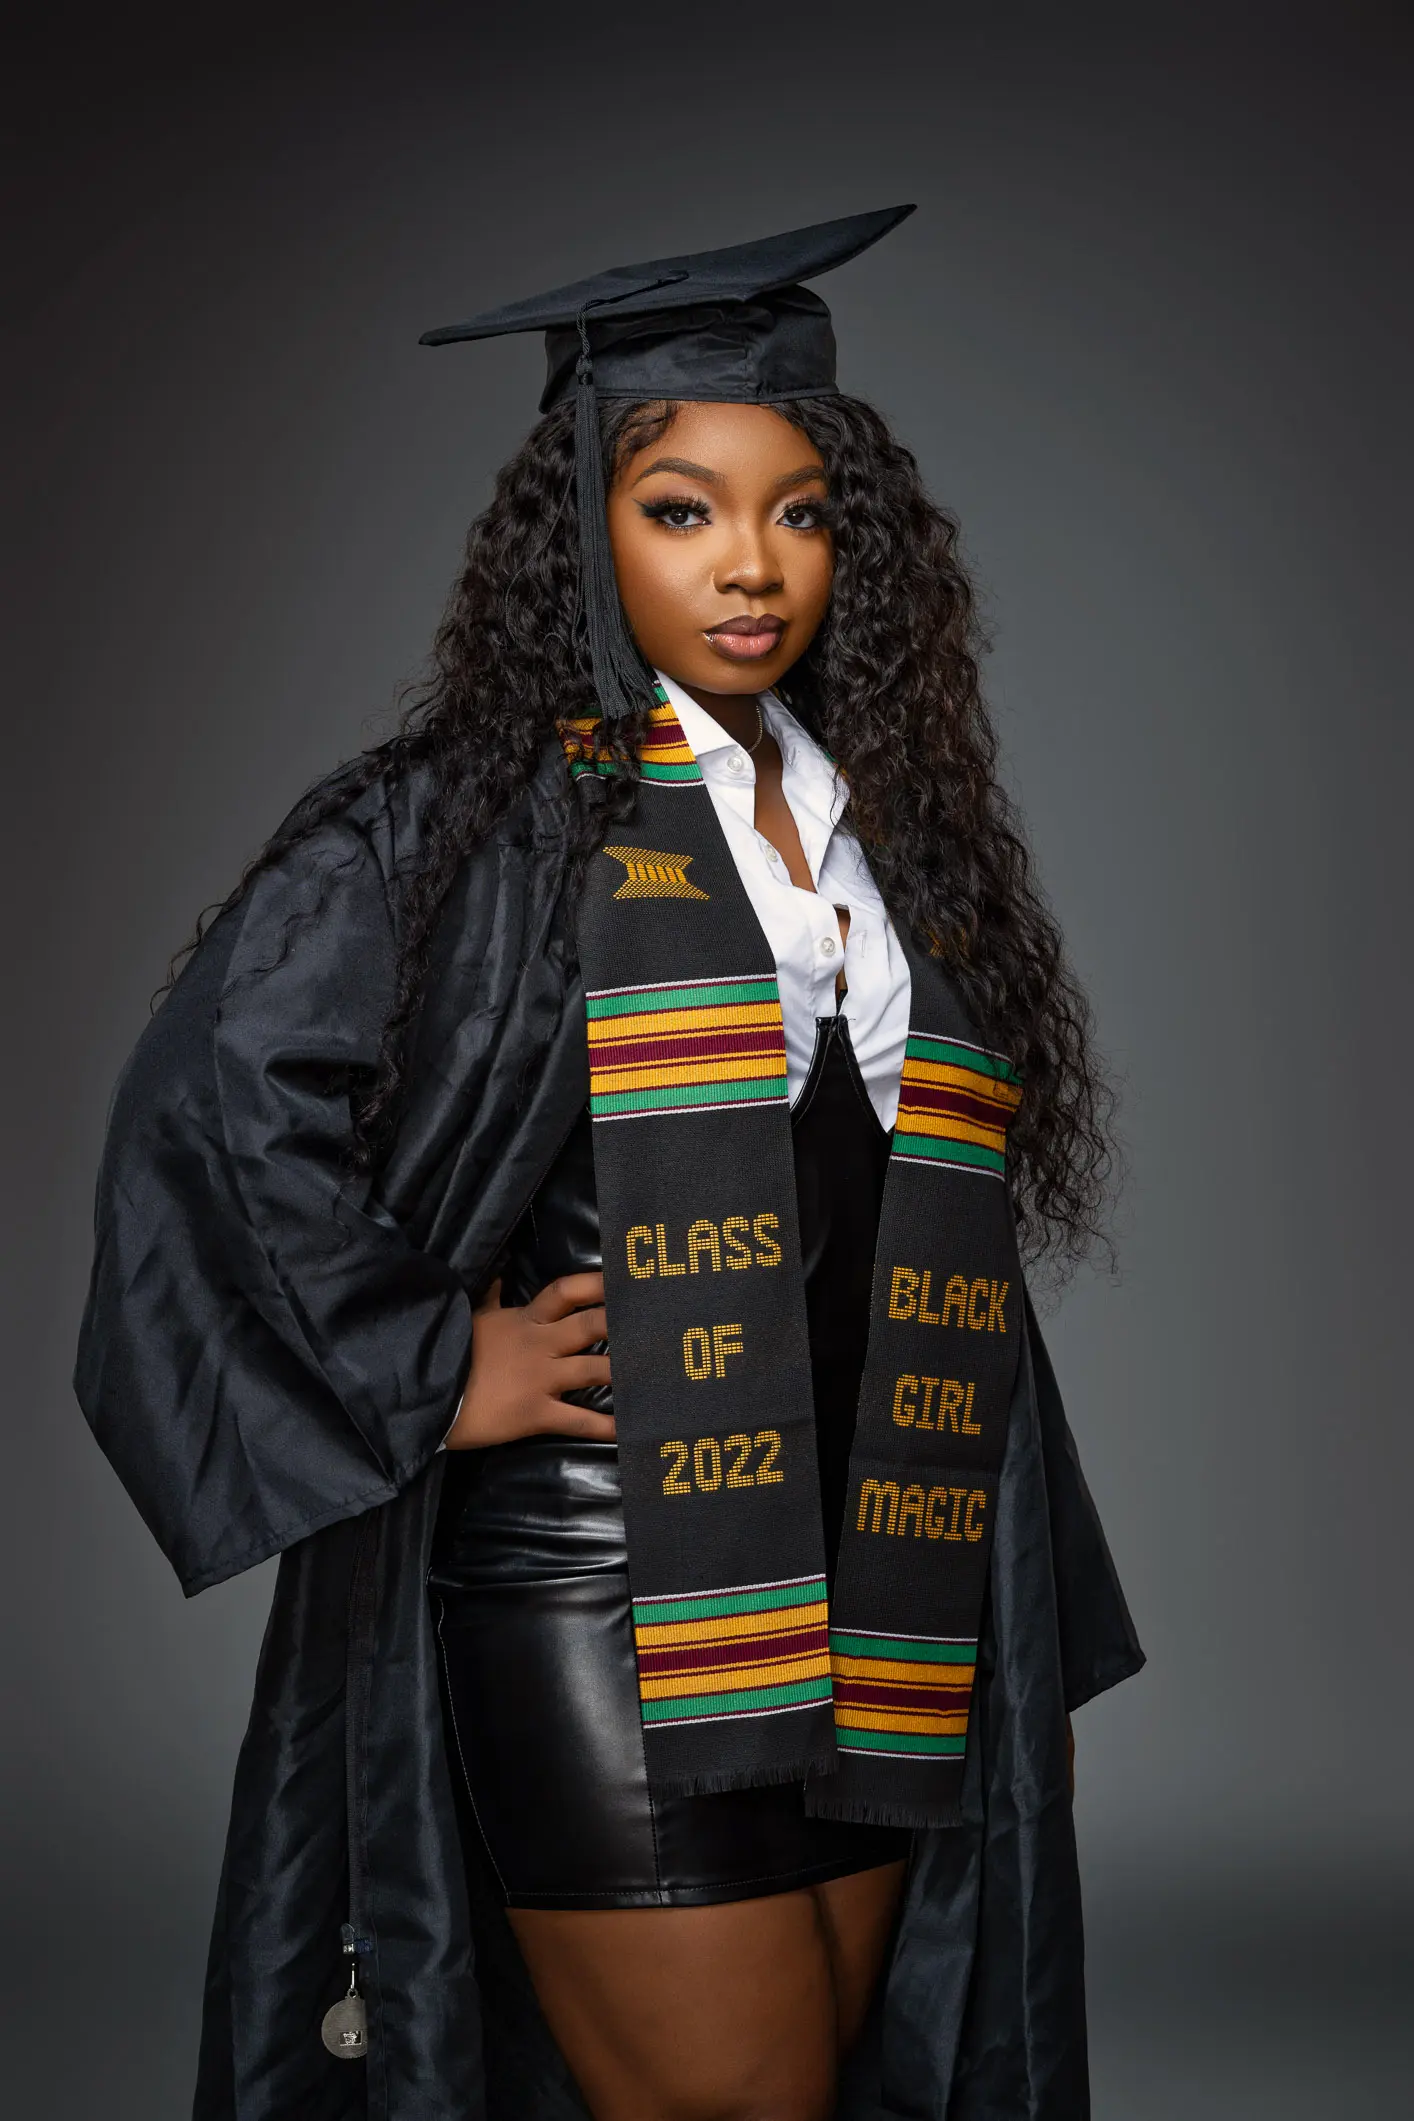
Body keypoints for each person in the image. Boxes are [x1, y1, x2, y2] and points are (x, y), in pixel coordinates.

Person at [74, 207, 1144, 2121]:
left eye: (800, 513)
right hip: (602, 1578)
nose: (750, 564)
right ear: (583, 523)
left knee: (837, 2078)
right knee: (734, 2093)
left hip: (883, 1581)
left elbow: (933, 1242)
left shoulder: (884, 836)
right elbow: (215, 1109)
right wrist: (429, 1366)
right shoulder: (476, 825)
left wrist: (1001, 1590)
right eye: (681, 510)